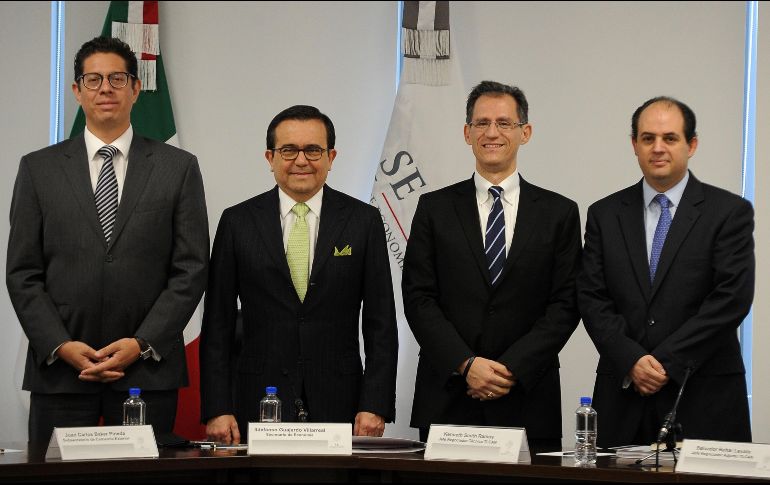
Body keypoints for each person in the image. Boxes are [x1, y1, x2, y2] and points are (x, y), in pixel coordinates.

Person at [6, 36, 210, 446]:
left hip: (146, 371)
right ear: (77, 90)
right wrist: (60, 345)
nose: (105, 88)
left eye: (117, 78)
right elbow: (23, 272)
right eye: (93, 79)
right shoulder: (38, 169)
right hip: (62, 371)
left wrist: (142, 343)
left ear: (136, 88)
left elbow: (190, 268)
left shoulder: (178, 168)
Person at [200, 105, 398, 443]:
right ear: (270, 157)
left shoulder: (363, 221)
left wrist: (375, 404)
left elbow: (381, 323)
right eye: (289, 150)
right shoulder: (237, 222)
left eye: (313, 150)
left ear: (331, 156)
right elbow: (216, 323)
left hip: (342, 401)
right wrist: (217, 407)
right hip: (257, 397)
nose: (301, 160)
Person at [402, 81, 582, 450]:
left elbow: (566, 303)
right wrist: (467, 364)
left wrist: (510, 368)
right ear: (467, 133)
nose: (492, 133)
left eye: (504, 123)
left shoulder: (559, 213)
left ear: (525, 133)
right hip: (449, 394)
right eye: (481, 123)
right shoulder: (433, 209)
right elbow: (419, 298)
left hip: (528, 396)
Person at [577, 96, 753, 447]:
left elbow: (731, 298)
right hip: (623, 395)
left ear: (692, 145)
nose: (658, 148)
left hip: (704, 394)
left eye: (670, 138)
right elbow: (592, 297)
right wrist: (632, 359)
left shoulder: (729, 212)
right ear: (634, 145)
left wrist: (663, 363)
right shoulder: (604, 214)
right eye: (647, 138)